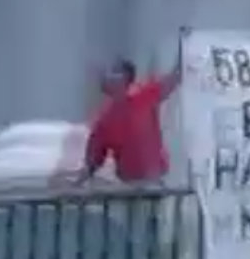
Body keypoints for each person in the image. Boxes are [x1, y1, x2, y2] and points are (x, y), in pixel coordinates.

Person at [78, 27, 189, 187]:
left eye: (112, 71)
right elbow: (93, 161)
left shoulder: (144, 96)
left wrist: (184, 44)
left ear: (125, 77)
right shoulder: (104, 120)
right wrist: (76, 184)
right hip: (129, 187)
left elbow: (176, 76)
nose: (104, 75)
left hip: (154, 182)